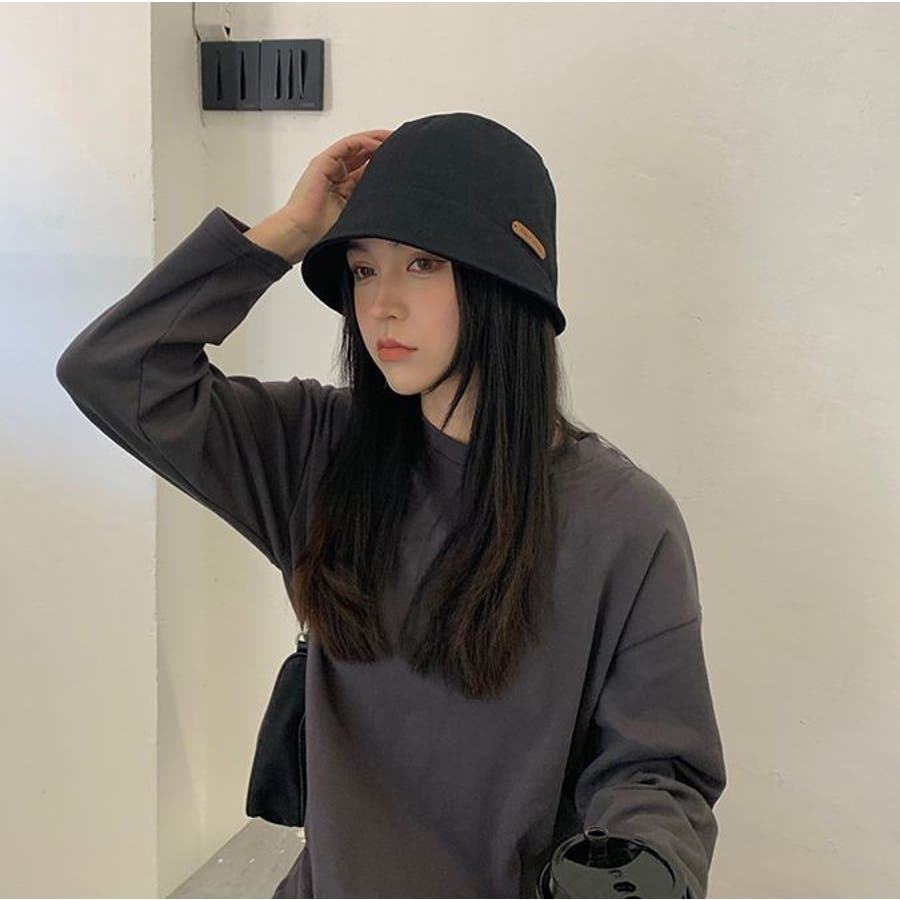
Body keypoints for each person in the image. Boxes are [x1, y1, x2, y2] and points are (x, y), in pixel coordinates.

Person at [56, 112, 726, 898]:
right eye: (363, 270)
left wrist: (636, 866)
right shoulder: (320, 452)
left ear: (507, 279)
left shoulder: (622, 522)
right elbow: (113, 371)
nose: (379, 305)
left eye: (422, 264)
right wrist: (288, 232)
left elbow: (656, 771)